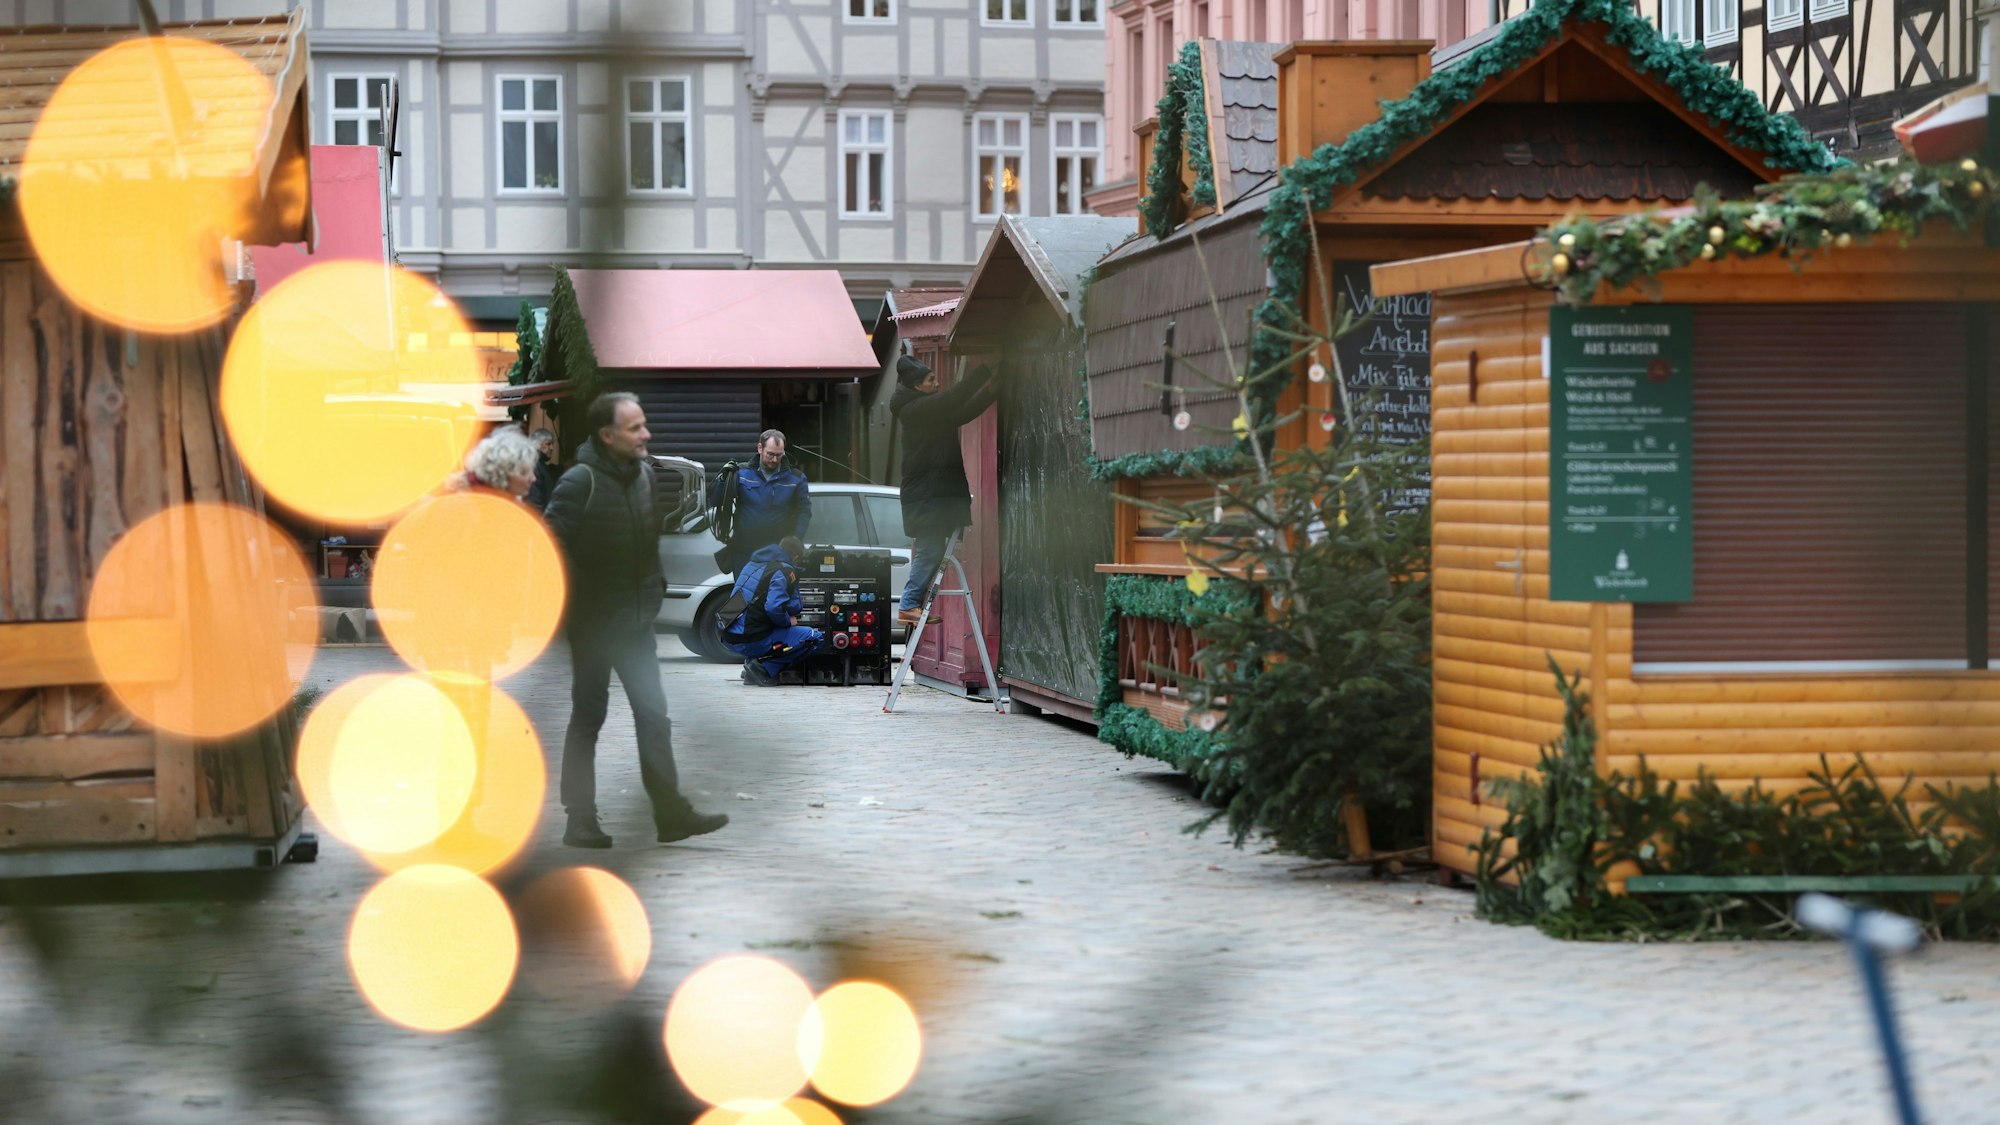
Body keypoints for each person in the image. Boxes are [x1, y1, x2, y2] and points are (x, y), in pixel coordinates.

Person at [543, 392, 728, 849]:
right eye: (634, 428)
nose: (646, 434)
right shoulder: (578, 482)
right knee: (589, 718)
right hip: (593, 626)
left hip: (638, 622)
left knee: (654, 717)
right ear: (607, 436)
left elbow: (647, 548)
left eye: (644, 424)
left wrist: (654, 590)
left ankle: (670, 815)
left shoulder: (646, 476)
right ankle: (579, 819)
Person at [889, 355, 997, 626]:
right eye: (931, 380)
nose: (937, 383)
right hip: (926, 497)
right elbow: (952, 400)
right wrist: (985, 369)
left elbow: (960, 412)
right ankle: (909, 604)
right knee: (928, 550)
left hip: (929, 496)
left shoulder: (924, 411)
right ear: (917, 386)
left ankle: (911, 603)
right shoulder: (916, 410)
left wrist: (992, 392)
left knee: (933, 549)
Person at [719, 535, 826, 686]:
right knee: (814, 638)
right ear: (795, 557)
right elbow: (774, 607)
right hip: (751, 638)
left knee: (766, 624)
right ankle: (761, 668)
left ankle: (751, 666)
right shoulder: (785, 570)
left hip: (728, 635)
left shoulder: (752, 563)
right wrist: (788, 621)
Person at [714, 429, 812, 573]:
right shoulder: (741, 473)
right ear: (760, 448)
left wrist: (794, 540)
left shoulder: (796, 479)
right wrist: (722, 481)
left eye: (779, 455)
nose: (774, 460)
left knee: (775, 594)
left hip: (778, 553)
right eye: (770, 454)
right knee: (744, 594)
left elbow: (804, 512)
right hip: (744, 551)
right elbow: (716, 501)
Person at [526, 427, 560, 510]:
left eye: (552, 444)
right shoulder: (534, 466)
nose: (552, 448)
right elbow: (535, 501)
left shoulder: (540, 465)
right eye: (548, 444)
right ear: (537, 445)